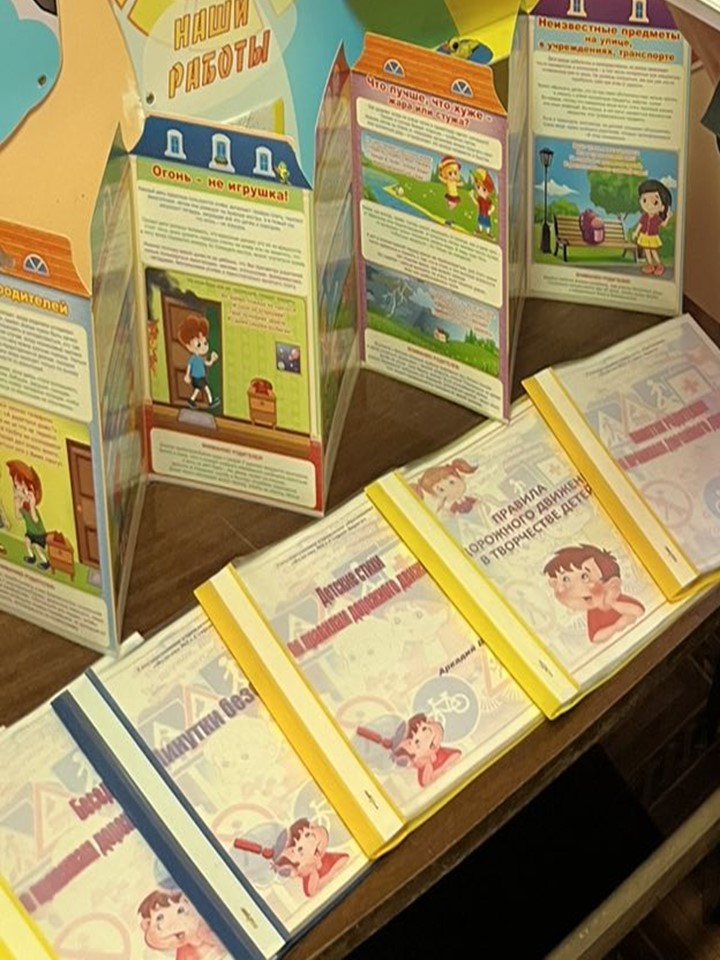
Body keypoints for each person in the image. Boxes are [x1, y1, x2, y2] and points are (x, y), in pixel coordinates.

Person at [543, 544, 645, 644]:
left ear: (609, 582)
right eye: (565, 579)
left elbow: (639, 611)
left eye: (585, 577)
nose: (575, 588)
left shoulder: (616, 599)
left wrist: (612, 602)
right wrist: (615, 627)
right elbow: (595, 637)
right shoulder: (593, 611)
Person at [138, 889, 224, 959]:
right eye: (159, 917)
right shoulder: (184, 952)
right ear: (147, 923)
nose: (172, 922)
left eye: (180, 911)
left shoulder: (204, 927)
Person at [7, 459, 50, 569]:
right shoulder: (21, 503)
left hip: (38, 532)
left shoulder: (31, 503)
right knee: (27, 541)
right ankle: (31, 557)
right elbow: (18, 517)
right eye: (15, 486)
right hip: (30, 531)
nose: (17, 490)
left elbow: (35, 520)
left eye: (20, 486)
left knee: (37, 547)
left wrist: (31, 506)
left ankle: (45, 562)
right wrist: (16, 504)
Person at [177, 313, 220, 409]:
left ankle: (192, 400)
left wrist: (212, 359)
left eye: (205, 343)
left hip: (201, 377)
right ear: (189, 347)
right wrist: (187, 375)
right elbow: (189, 367)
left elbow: (208, 364)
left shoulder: (201, 358)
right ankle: (211, 402)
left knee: (197, 390)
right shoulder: (193, 359)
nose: (203, 347)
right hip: (197, 378)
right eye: (198, 345)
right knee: (206, 389)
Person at [632, 179, 673, 276]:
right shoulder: (644, 216)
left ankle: (659, 265)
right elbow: (640, 224)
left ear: (662, 207)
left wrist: (668, 217)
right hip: (644, 236)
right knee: (647, 250)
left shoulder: (657, 218)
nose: (649, 205)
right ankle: (650, 265)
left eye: (655, 202)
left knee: (653, 251)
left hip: (652, 236)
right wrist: (636, 232)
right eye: (644, 200)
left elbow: (663, 224)